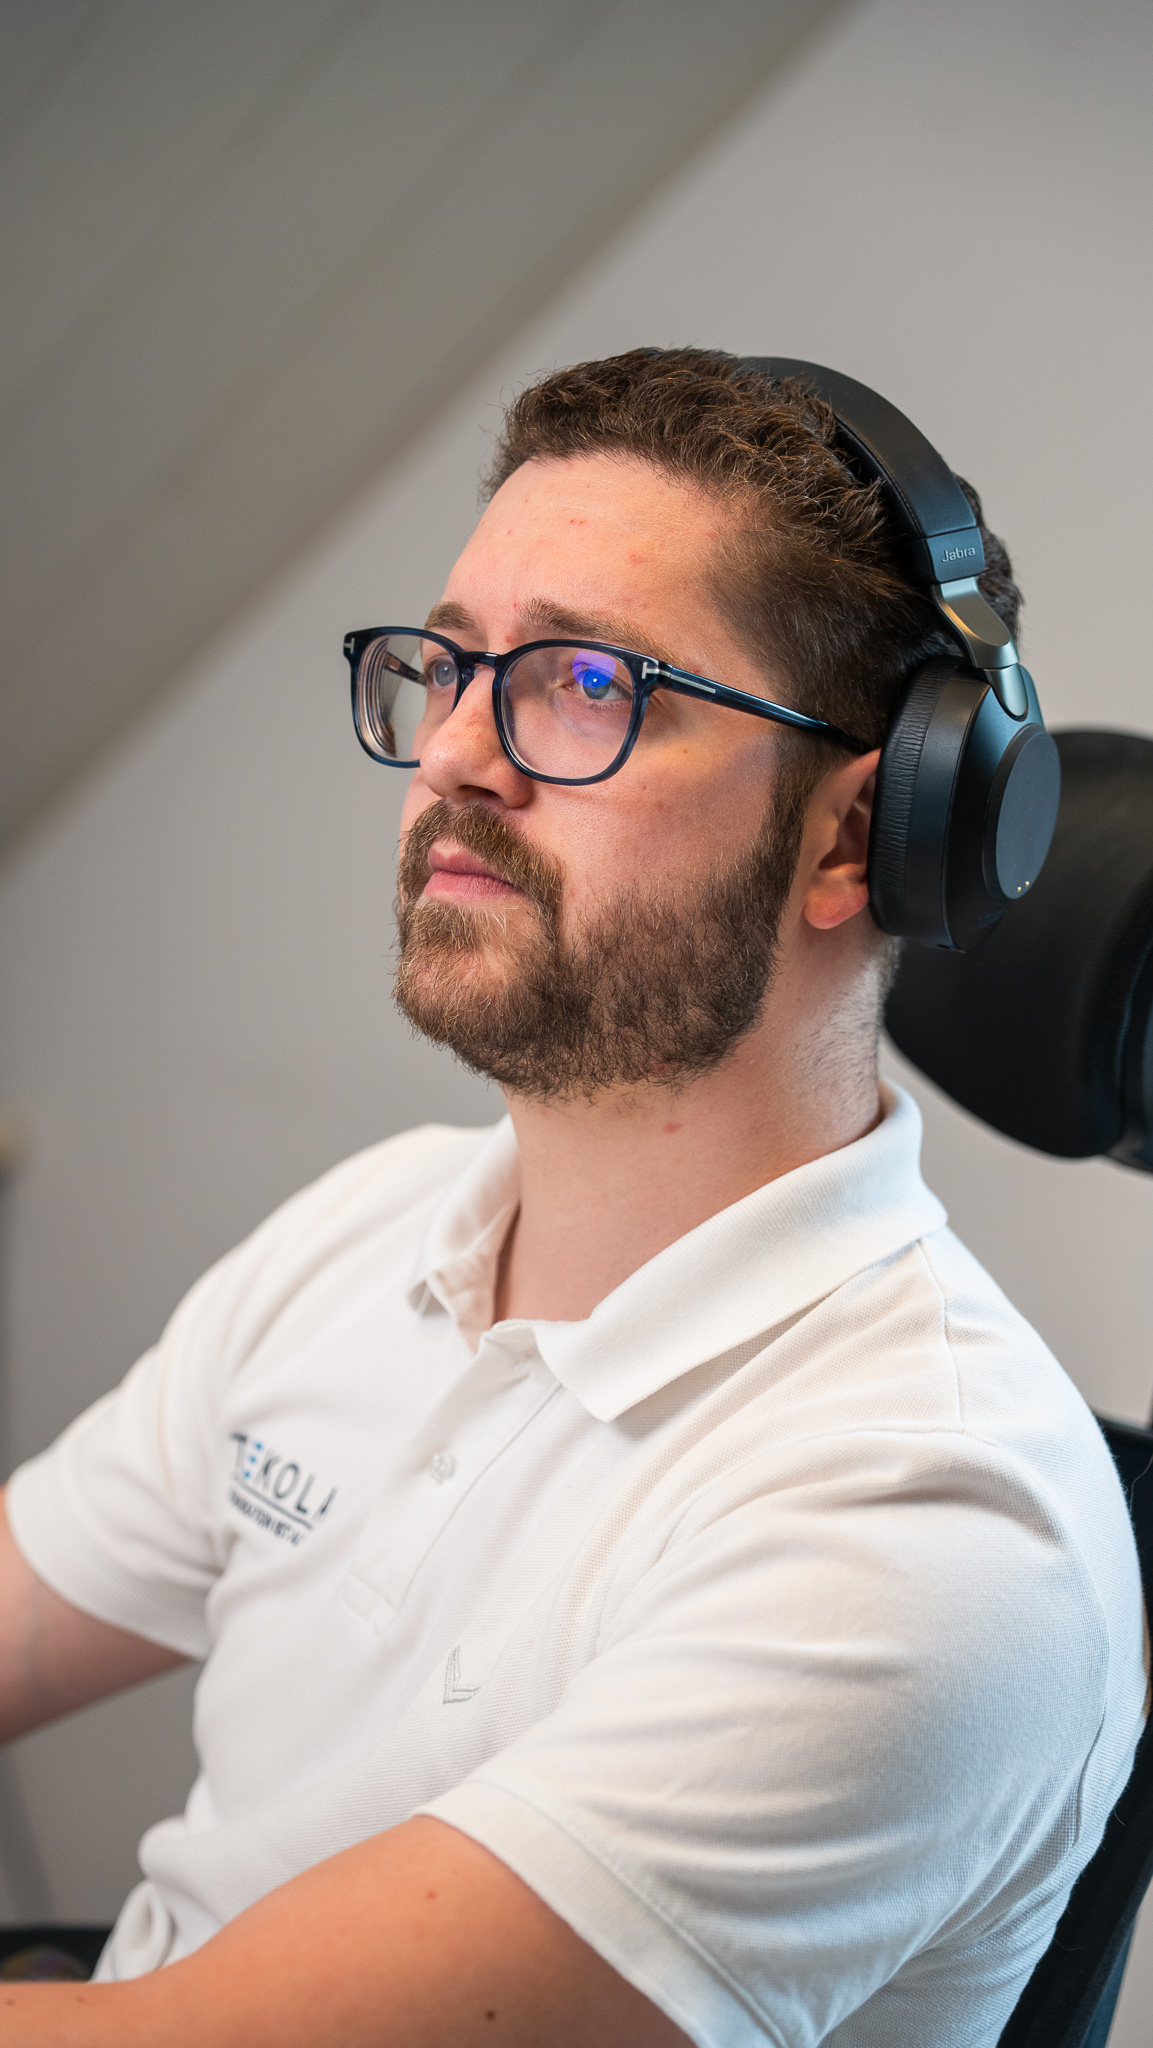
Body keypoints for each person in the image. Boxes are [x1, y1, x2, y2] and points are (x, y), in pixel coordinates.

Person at [0, 349, 1143, 2047]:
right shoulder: (378, 1228)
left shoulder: (928, 1533)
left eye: (585, 683)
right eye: (448, 666)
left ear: (856, 837)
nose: (457, 754)